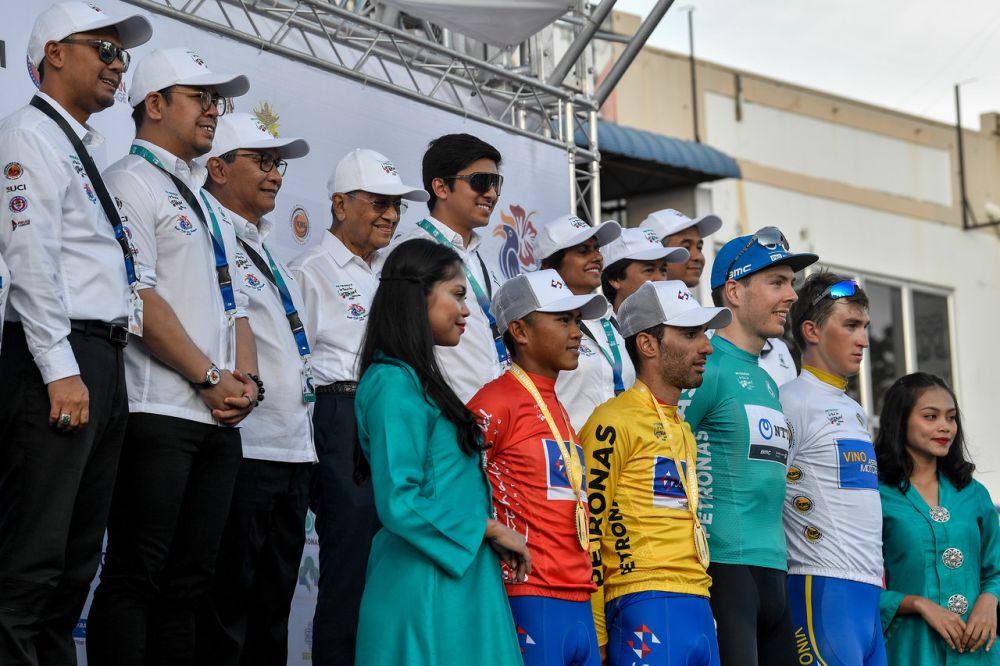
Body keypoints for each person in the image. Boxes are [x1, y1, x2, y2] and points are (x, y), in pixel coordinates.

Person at [86, 48, 255, 664]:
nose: (213, 109)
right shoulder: (128, 181)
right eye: (199, 96)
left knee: (189, 587)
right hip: (155, 413)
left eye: (217, 100)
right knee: (137, 577)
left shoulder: (209, 202)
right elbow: (138, 297)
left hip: (217, 419)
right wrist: (210, 377)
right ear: (153, 105)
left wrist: (247, 386)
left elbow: (237, 309)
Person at [0, 3, 151, 663]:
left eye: (122, 56)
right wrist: (60, 369)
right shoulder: (26, 136)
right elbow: (31, 258)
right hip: (56, 357)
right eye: (106, 50)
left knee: (76, 560)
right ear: (55, 53)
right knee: (32, 557)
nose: (118, 66)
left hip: (102, 359)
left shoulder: (82, 146)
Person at [353, 238, 530, 665]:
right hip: (424, 584)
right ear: (418, 295)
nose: (467, 311)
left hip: (456, 572)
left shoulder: (416, 380)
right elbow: (399, 500)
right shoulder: (392, 383)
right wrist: (488, 529)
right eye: (457, 295)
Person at [289, 147, 428, 665]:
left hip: (394, 419)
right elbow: (294, 365)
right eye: (378, 202)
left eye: (397, 205)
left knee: (391, 573)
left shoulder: (392, 280)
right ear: (340, 204)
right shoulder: (310, 269)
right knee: (349, 573)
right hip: (340, 417)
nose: (390, 215)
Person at [194, 112, 314, 664]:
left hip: (293, 450)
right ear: (216, 167)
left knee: (273, 613)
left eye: (278, 164)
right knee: (227, 610)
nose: (275, 175)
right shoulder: (204, 233)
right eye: (261, 161)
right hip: (243, 448)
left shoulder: (268, 248)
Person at [679, 227, 817, 666]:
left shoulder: (766, 377)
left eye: (791, 283)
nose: (791, 296)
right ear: (734, 292)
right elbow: (663, 460)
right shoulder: (706, 365)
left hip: (775, 570)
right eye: (776, 283)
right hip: (723, 569)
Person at [580, 280, 731, 666]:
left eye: (705, 334)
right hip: (643, 599)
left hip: (697, 601)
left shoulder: (682, 429)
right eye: (691, 334)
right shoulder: (611, 421)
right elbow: (588, 528)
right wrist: (596, 629)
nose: (707, 347)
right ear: (648, 344)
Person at [468, 269, 607, 665]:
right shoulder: (494, 402)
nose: (577, 331)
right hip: (529, 595)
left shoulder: (557, 407)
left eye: (578, 320)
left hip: (579, 595)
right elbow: (449, 488)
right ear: (520, 331)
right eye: (563, 320)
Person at [780, 273, 887, 665]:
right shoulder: (791, 402)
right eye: (850, 325)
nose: (863, 340)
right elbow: (766, 494)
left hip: (867, 595)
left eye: (865, 327)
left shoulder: (855, 410)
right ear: (811, 330)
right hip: (822, 588)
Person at [876, 373, 1000, 665]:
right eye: (931, 417)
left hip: (979, 650)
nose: (945, 427)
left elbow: (995, 569)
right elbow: (856, 584)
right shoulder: (874, 495)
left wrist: (989, 600)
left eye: (951, 417)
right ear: (900, 420)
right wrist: (917, 604)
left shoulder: (973, 493)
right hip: (912, 649)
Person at [388, 133, 507, 402]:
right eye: (480, 182)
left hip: (494, 418)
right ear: (441, 188)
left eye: (496, 183)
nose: (490, 193)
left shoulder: (481, 262)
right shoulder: (410, 252)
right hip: (444, 414)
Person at [640, 208, 797, 384]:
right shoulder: (702, 350)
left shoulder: (778, 348)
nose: (697, 256)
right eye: (685, 247)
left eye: (699, 247)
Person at [533, 214, 629, 430]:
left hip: (621, 458)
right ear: (551, 264)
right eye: (584, 251)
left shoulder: (612, 319)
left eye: (597, 249)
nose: (597, 257)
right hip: (567, 456)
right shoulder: (537, 324)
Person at [599, 227, 688, 315]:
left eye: (663, 270)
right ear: (614, 278)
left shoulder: (681, 321)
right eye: (649, 270)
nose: (660, 279)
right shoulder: (594, 327)